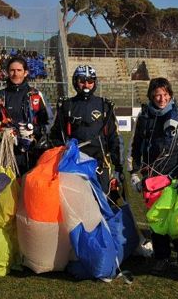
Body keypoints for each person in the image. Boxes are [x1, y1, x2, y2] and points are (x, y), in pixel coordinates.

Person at [127, 78, 178, 282]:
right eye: (157, 94)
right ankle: (161, 257)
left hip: (175, 177)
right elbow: (135, 145)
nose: (161, 98)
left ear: (171, 94)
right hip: (152, 179)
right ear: (150, 96)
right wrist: (133, 172)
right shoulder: (144, 115)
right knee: (156, 221)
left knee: (177, 223)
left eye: (165, 94)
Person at [50, 65, 123, 199]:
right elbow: (56, 136)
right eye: (82, 81)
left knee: (102, 201)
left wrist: (118, 165)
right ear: (75, 81)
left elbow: (114, 137)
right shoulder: (67, 106)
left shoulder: (104, 105)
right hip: (74, 164)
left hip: (99, 163)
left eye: (90, 81)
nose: (86, 85)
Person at [0, 56, 51, 176]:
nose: (15, 74)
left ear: (25, 72)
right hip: (4, 154)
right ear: (7, 72)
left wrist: (34, 131)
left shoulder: (36, 96)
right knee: (4, 192)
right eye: (12, 70)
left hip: (31, 155)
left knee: (28, 192)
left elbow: (49, 124)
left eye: (19, 70)